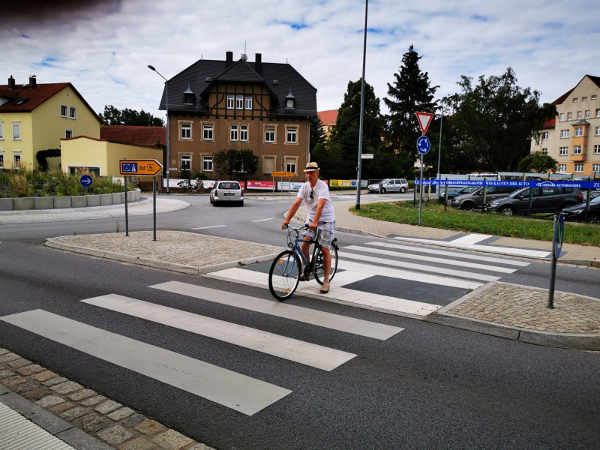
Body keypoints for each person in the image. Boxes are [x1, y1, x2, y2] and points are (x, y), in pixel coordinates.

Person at [281, 162, 335, 294]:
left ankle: (326, 281)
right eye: (307, 173)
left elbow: (321, 206)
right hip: (311, 219)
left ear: (317, 173)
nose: (309, 175)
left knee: (324, 248)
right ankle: (306, 271)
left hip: (326, 219)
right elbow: (296, 204)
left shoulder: (323, 187)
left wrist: (315, 223)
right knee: (304, 245)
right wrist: (287, 219)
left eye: (311, 172)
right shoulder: (304, 187)